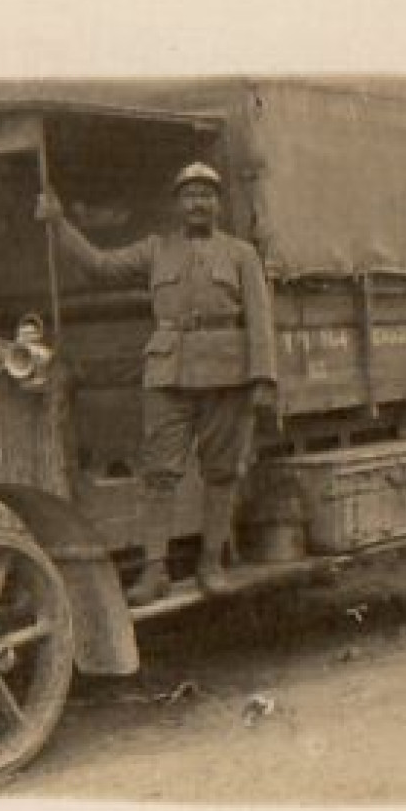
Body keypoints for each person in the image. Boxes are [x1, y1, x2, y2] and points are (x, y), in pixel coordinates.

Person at [37, 163, 277, 603]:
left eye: (206, 194)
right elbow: (100, 267)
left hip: (228, 374)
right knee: (158, 474)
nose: (198, 203)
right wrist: (58, 223)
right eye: (189, 195)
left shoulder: (241, 254)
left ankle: (212, 564)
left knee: (221, 473)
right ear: (177, 205)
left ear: (218, 204)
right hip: (167, 373)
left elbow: (261, 321)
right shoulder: (156, 249)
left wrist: (263, 378)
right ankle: (155, 571)